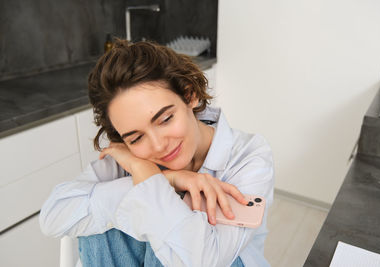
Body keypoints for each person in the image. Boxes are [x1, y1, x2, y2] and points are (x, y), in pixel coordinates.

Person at [39, 40, 274, 267]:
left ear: (189, 95)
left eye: (165, 119)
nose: (159, 145)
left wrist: (151, 185)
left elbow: (203, 261)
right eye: (136, 137)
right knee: (99, 227)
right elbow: (53, 217)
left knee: (166, 224)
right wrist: (160, 178)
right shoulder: (131, 157)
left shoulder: (248, 156)